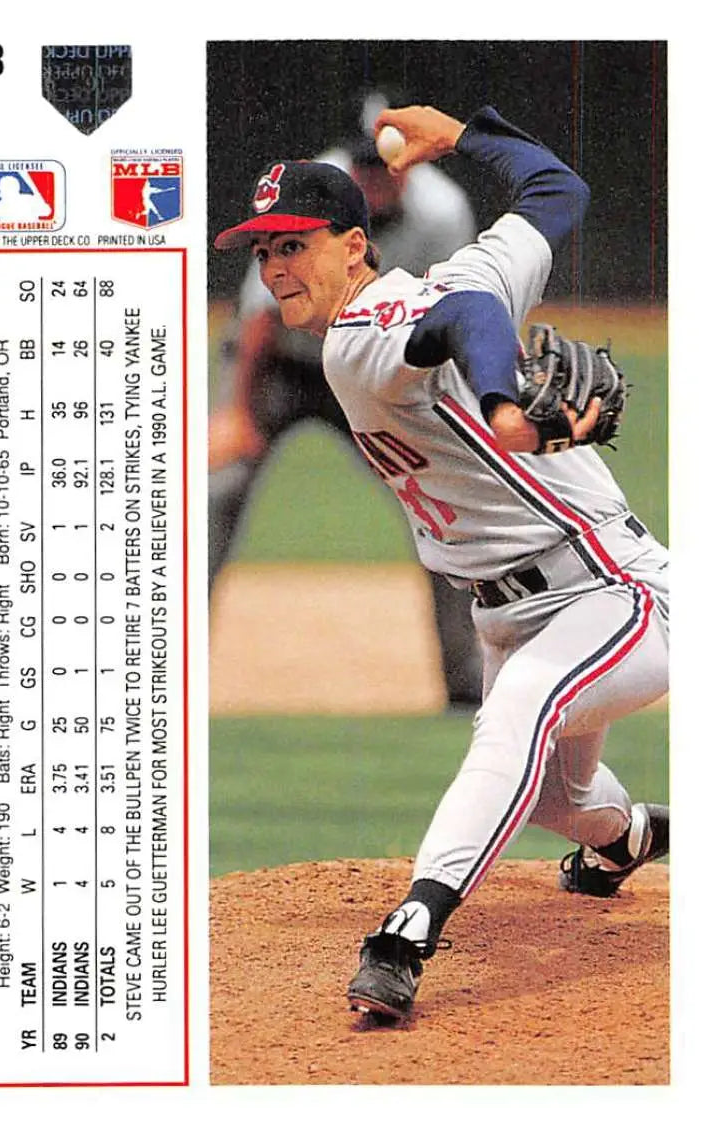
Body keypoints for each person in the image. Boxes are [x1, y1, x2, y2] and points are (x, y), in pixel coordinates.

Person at [213, 103, 669, 1021]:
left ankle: (406, 936)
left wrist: (502, 401)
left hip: (612, 588)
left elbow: (461, 314)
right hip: (504, 610)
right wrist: (466, 138)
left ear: (353, 245)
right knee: (554, 801)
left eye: (293, 245)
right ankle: (635, 838)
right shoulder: (418, 299)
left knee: (509, 724)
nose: (273, 268)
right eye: (262, 252)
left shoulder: (364, 332)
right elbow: (550, 193)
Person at [209, 121, 483, 706]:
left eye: (386, 170)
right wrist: (238, 414)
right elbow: (260, 316)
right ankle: (156, 672)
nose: (375, 180)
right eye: (364, 169)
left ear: (407, 169)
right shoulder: (310, 196)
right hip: (280, 363)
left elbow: (458, 311)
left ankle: (471, 685)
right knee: (215, 487)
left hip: (368, 364)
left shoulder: (443, 211)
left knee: (442, 503)